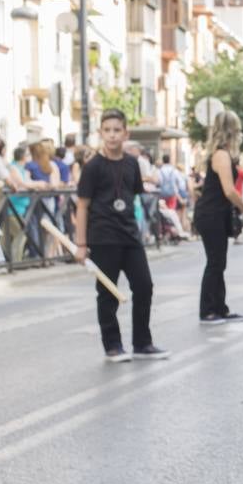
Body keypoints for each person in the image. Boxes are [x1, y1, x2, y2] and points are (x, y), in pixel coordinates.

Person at [72, 109, 169, 363]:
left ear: (125, 133)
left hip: (129, 234)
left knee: (144, 286)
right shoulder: (93, 167)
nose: (112, 135)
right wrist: (81, 244)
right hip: (103, 236)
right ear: (100, 133)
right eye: (107, 131)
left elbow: (132, 195)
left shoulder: (131, 163)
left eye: (117, 130)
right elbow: (82, 205)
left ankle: (142, 343)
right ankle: (112, 345)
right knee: (107, 292)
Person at [193, 110, 243, 324]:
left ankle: (220, 308)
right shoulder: (221, 155)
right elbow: (229, 190)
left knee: (219, 262)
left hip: (216, 213)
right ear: (231, 131)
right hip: (211, 214)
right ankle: (208, 310)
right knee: (215, 262)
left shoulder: (223, 154)